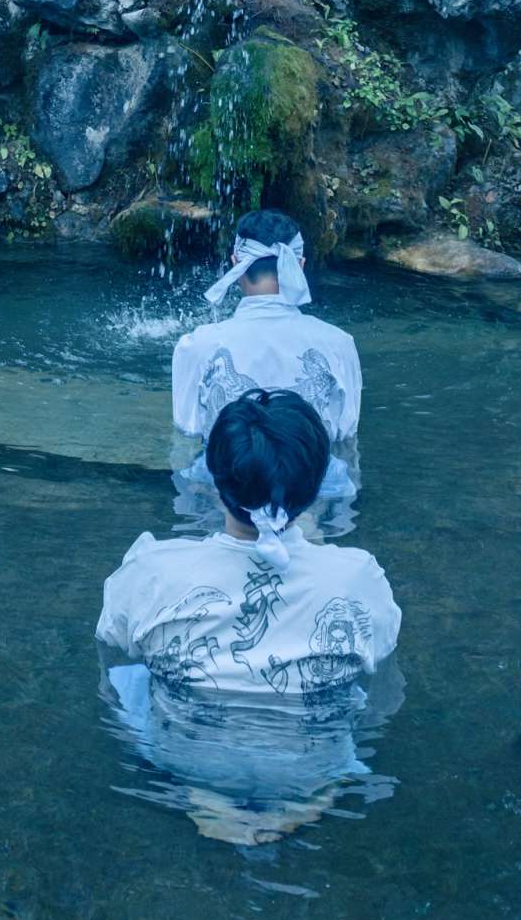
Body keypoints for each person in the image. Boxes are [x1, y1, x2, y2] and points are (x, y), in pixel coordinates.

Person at [98, 389, 401, 843]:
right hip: (308, 761)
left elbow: (111, 644)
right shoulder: (357, 577)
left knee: (126, 675)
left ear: (215, 481)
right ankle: (319, 790)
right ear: (317, 483)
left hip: (186, 755)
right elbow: (382, 677)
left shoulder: (153, 567)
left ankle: (200, 793)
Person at [171, 211, 361, 529]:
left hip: (226, 498)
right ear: (299, 266)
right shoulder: (338, 344)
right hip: (311, 498)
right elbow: (346, 438)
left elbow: (186, 436)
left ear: (235, 263)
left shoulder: (198, 345)